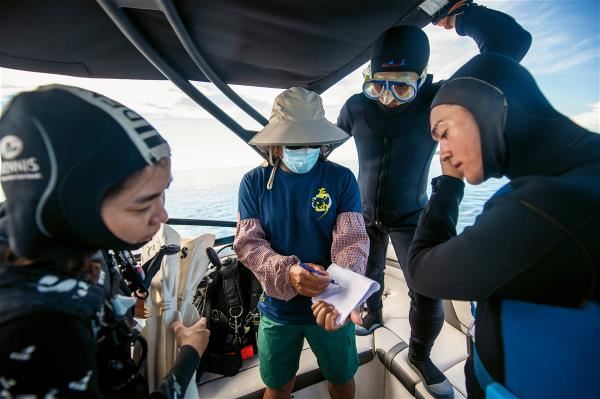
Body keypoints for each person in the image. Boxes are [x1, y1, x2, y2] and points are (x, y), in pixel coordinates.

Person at [335, 3, 531, 397]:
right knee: (366, 275)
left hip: (413, 216)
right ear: (368, 79)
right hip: (364, 216)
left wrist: (462, 14)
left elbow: (511, 43)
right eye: (378, 85)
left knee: (428, 292)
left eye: (402, 86)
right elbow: (321, 150)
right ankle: (371, 314)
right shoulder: (355, 106)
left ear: (423, 80)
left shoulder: (438, 99)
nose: (388, 98)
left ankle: (421, 357)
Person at [406, 52, 600, 399]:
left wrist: (448, 185)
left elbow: (422, 268)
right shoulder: (580, 173)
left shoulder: (544, 207)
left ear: (487, 104)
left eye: (445, 133)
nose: (444, 153)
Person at [0, 85, 210, 398]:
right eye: (143, 203)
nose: (162, 215)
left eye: (163, 192)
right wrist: (189, 354)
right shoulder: (42, 329)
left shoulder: (59, 235)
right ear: (72, 208)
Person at [233, 87, 369, 399]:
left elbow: (353, 242)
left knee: (342, 378)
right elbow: (248, 244)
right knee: (277, 386)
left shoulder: (342, 179)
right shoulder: (253, 183)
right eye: (295, 143)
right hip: (278, 310)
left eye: (314, 142)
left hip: (331, 305)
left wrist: (342, 293)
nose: (306, 149)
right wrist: (288, 272)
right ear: (276, 145)